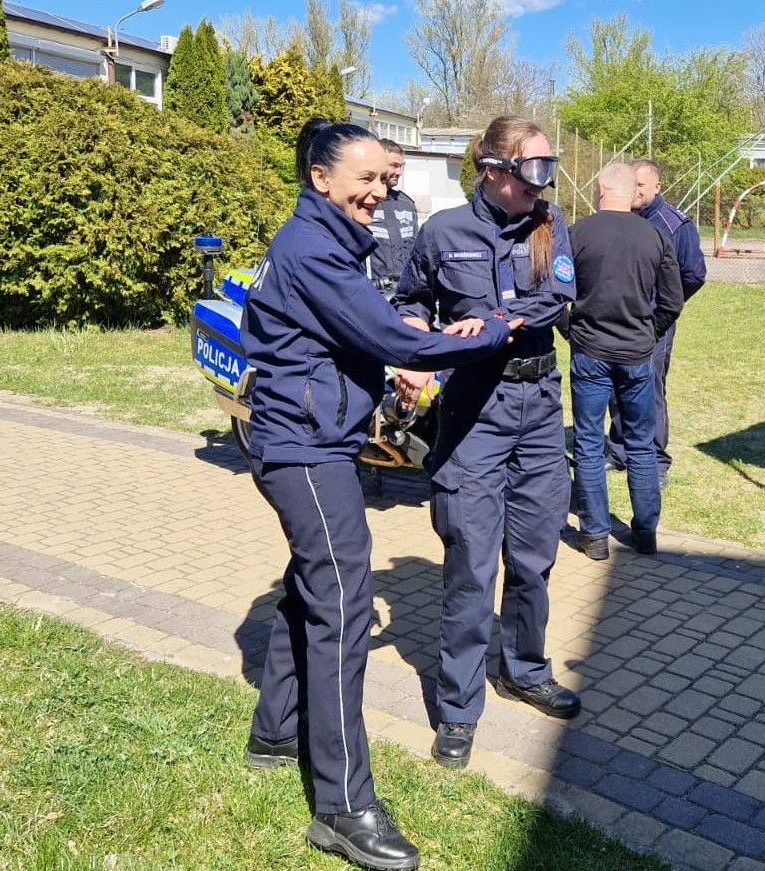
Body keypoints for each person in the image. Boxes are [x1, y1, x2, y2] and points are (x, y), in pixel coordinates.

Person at [239, 117, 520, 871]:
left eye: (384, 178)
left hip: (311, 441)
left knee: (312, 587)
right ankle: (342, 806)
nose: (379, 190)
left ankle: (274, 731)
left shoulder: (324, 241)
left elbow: (356, 336)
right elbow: (395, 340)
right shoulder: (312, 249)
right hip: (305, 452)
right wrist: (489, 333)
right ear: (320, 178)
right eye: (365, 178)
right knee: (344, 606)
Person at [391, 115, 581, 772]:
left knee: (533, 556)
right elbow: (411, 301)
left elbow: (556, 300)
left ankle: (523, 670)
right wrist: (414, 349)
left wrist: (493, 324)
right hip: (475, 407)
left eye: (549, 168)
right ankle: (458, 707)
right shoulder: (442, 232)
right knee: (471, 563)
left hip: (538, 406)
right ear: (495, 170)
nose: (542, 183)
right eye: (533, 169)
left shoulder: (550, 226)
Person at [568, 162, 684, 561]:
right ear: (633, 192)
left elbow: (553, 293)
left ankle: (595, 536)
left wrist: (571, 330)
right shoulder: (655, 235)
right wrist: (649, 334)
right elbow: (672, 300)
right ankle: (645, 532)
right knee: (640, 444)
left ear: (601, 190)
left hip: (590, 353)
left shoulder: (578, 233)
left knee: (588, 443)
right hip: (637, 355)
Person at [604, 158, 706, 489]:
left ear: (657, 187)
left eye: (641, 185)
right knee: (617, 385)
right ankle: (620, 450)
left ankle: (656, 460)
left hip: (653, 323)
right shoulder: (620, 219)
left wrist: (663, 309)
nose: (634, 191)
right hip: (619, 320)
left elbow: (693, 274)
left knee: (650, 387)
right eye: (631, 184)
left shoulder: (674, 225)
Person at [368, 139, 419, 294]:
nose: (399, 172)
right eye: (394, 166)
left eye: (401, 166)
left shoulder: (407, 204)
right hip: (371, 293)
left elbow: (417, 252)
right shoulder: (363, 202)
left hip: (404, 294)